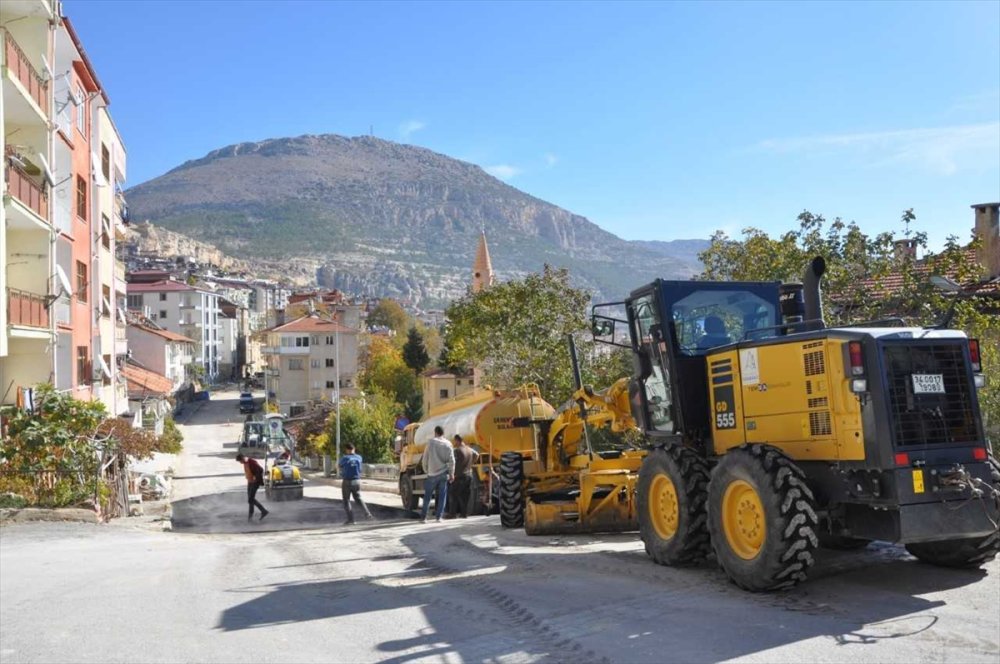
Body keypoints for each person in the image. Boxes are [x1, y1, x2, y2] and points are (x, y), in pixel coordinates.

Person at [420, 426, 455, 523]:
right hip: (443, 473)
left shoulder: (430, 442)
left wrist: (426, 469)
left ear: (435, 432)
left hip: (432, 473)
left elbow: (425, 458)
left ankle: (424, 518)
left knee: (427, 496)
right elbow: (452, 460)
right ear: (443, 433)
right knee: (442, 495)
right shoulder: (448, 444)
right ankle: (439, 517)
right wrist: (452, 473)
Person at [338, 443, 373, 525]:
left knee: (346, 500)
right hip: (357, 480)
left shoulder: (345, 458)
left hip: (347, 481)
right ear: (354, 449)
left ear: (347, 449)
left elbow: (339, 466)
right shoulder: (359, 457)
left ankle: (351, 520)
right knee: (358, 498)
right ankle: (368, 515)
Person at [449, 434, 480, 518]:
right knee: (465, 496)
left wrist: (451, 473)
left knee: (453, 494)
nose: (454, 443)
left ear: (457, 440)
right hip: (469, 475)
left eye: (454, 441)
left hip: (459, 475)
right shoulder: (469, 449)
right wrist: (471, 463)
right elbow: (477, 455)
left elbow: (452, 463)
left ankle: (452, 514)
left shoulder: (457, 450)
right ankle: (464, 513)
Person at [236, 453, 269, 522]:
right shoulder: (245, 463)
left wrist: (256, 479)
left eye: (240, 461)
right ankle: (250, 518)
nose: (240, 463)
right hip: (250, 482)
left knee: (251, 499)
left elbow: (260, 469)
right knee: (250, 500)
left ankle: (264, 511)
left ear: (242, 458)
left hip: (255, 483)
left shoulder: (251, 462)